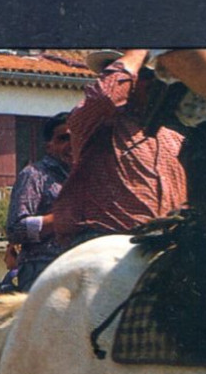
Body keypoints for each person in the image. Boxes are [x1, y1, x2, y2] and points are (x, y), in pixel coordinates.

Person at [51, 49, 187, 251]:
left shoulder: (173, 138)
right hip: (102, 242)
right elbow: (105, 98)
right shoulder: (95, 124)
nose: (128, 78)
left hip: (161, 245)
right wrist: (138, 53)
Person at [4, 111, 72, 290]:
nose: (71, 144)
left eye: (76, 137)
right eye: (64, 138)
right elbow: (15, 228)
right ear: (49, 146)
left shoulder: (86, 177)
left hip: (78, 265)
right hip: (42, 269)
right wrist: (61, 219)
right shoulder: (33, 175)